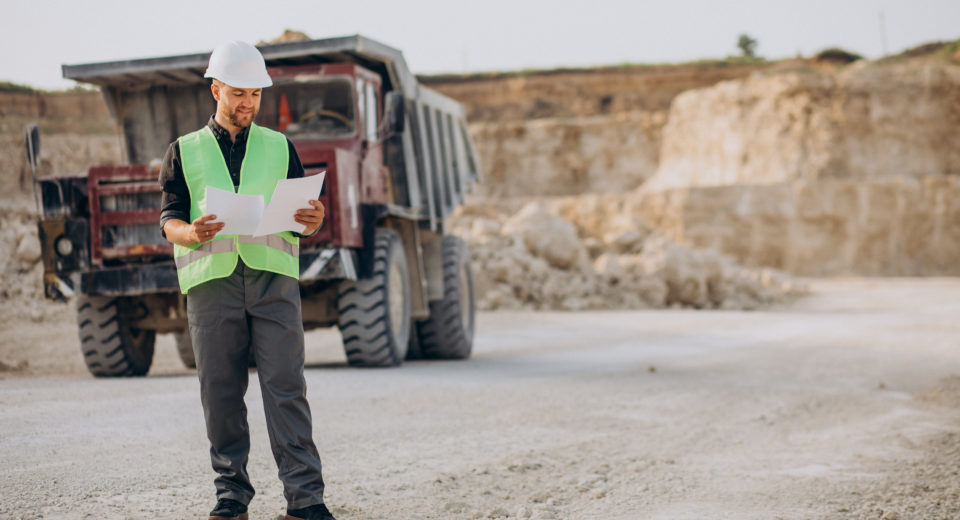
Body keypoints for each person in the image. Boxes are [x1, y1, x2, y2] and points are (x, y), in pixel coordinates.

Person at [158, 40, 335, 520]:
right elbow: (169, 218)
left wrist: (313, 219)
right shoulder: (184, 151)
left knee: (285, 387)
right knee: (220, 391)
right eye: (238, 93)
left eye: (255, 94)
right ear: (216, 90)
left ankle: (306, 500)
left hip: (273, 282)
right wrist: (190, 232)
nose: (247, 104)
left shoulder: (280, 147)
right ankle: (231, 496)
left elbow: (304, 218)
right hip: (212, 285)